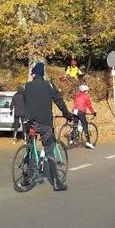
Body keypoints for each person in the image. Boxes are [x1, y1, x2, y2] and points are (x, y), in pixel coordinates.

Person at [23, 62, 72, 191]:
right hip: (45, 124)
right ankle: (56, 182)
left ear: (34, 74)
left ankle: (27, 177)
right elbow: (59, 101)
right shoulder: (49, 85)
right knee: (50, 151)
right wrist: (67, 114)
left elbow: (24, 102)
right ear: (42, 74)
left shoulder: (27, 86)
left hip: (30, 123)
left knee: (30, 148)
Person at [72, 84, 96, 149]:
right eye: (87, 91)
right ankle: (88, 142)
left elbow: (76, 103)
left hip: (75, 111)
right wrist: (93, 112)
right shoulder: (86, 96)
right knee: (85, 126)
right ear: (85, 91)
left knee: (75, 124)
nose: (88, 92)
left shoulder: (76, 95)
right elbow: (89, 105)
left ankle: (72, 139)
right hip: (81, 111)